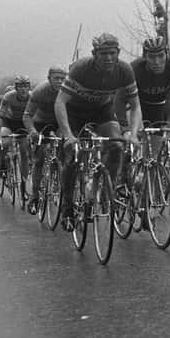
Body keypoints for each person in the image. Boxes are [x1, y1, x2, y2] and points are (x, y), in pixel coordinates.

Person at [55, 32, 142, 229]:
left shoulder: (124, 70)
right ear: (95, 54)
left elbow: (135, 106)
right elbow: (60, 102)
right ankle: (67, 208)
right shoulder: (81, 69)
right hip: (75, 112)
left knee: (116, 145)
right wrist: (68, 135)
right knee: (72, 157)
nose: (109, 58)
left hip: (102, 111)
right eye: (104, 53)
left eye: (112, 53)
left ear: (118, 52)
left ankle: (105, 191)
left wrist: (134, 133)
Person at [22, 66, 66, 213]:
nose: (60, 81)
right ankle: (34, 196)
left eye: (62, 78)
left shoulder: (69, 90)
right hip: (41, 123)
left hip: (61, 122)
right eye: (56, 78)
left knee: (66, 155)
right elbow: (27, 115)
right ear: (49, 78)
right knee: (39, 159)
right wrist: (33, 131)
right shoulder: (40, 91)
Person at [130, 36, 170, 129]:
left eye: (161, 56)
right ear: (144, 57)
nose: (157, 62)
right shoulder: (134, 69)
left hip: (164, 100)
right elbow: (121, 99)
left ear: (166, 54)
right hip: (138, 104)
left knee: (169, 136)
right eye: (151, 57)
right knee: (137, 135)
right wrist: (125, 128)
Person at [0, 75, 32, 195]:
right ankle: (2, 165)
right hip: (9, 122)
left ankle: (24, 182)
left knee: (24, 153)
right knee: (5, 142)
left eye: (26, 86)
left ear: (29, 87)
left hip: (24, 123)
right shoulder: (8, 96)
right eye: (20, 86)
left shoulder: (32, 97)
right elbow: (0, 116)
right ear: (16, 88)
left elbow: (37, 116)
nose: (23, 89)